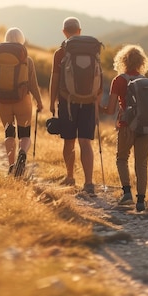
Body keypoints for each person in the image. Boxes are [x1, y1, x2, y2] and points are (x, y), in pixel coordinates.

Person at [48, 17, 101, 195]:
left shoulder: (60, 53)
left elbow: (54, 79)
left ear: (64, 32)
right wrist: (96, 102)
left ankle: (70, 177)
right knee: (85, 142)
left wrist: (51, 102)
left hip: (67, 101)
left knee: (69, 140)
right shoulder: (93, 51)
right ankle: (89, 183)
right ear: (79, 30)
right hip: (88, 102)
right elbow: (98, 78)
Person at [0, 27, 43, 175]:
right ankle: (22, 153)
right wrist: (39, 101)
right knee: (25, 134)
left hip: (3, 101)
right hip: (23, 101)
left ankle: (11, 166)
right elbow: (33, 84)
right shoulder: (27, 60)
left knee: (9, 133)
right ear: (22, 40)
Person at [100, 44, 148, 212]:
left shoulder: (119, 80)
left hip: (127, 125)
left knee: (122, 158)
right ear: (141, 62)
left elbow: (110, 110)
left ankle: (126, 194)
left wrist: (98, 106)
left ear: (123, 61)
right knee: (141, 163)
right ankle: (141, 201)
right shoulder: (147, 82)